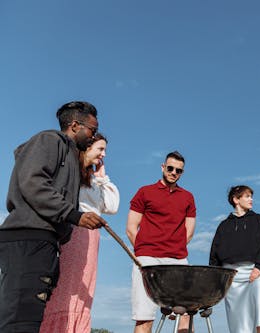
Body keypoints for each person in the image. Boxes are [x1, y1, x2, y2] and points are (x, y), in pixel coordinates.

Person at [0, 101, 106, 333]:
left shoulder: (71, 157)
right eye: (92, 130)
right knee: (18, 319)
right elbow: (33, 182)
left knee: (31, 319)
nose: (93, 136)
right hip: (27, 238)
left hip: (47, 241)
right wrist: (73, 215)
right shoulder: (48, 140)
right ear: (75, 125)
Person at [40, 133, 120, 333]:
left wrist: (102, 177)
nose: (104, 154)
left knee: (85, 287)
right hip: (73, 232)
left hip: (91, 238)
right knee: (67, 288)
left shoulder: (94, 179)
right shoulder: (69, 172)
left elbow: (112, 206)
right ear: (87, 147)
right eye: (100, 149)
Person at [126, 150, 196, 333]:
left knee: (186, 314)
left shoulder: (188, 197)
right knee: (144, 317)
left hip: (177, 260)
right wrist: (144, 251)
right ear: (163, 167)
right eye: (170, 168)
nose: (174, 172)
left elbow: (189, 231)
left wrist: (174, 247)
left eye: (178, 170)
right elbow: (131, 227)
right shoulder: (145, 192)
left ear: (182, 173)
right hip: (147, 260)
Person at [209, 185, 260, 333]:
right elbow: (214, 256)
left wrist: (259, 268)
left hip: (255, 272)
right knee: (240, 326)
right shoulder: (224, 226)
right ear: (236, 200)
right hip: (231, 278)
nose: (251, 199)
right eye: (247, 196)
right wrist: (217, 280)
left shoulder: (259, 220)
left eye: (251, 196)